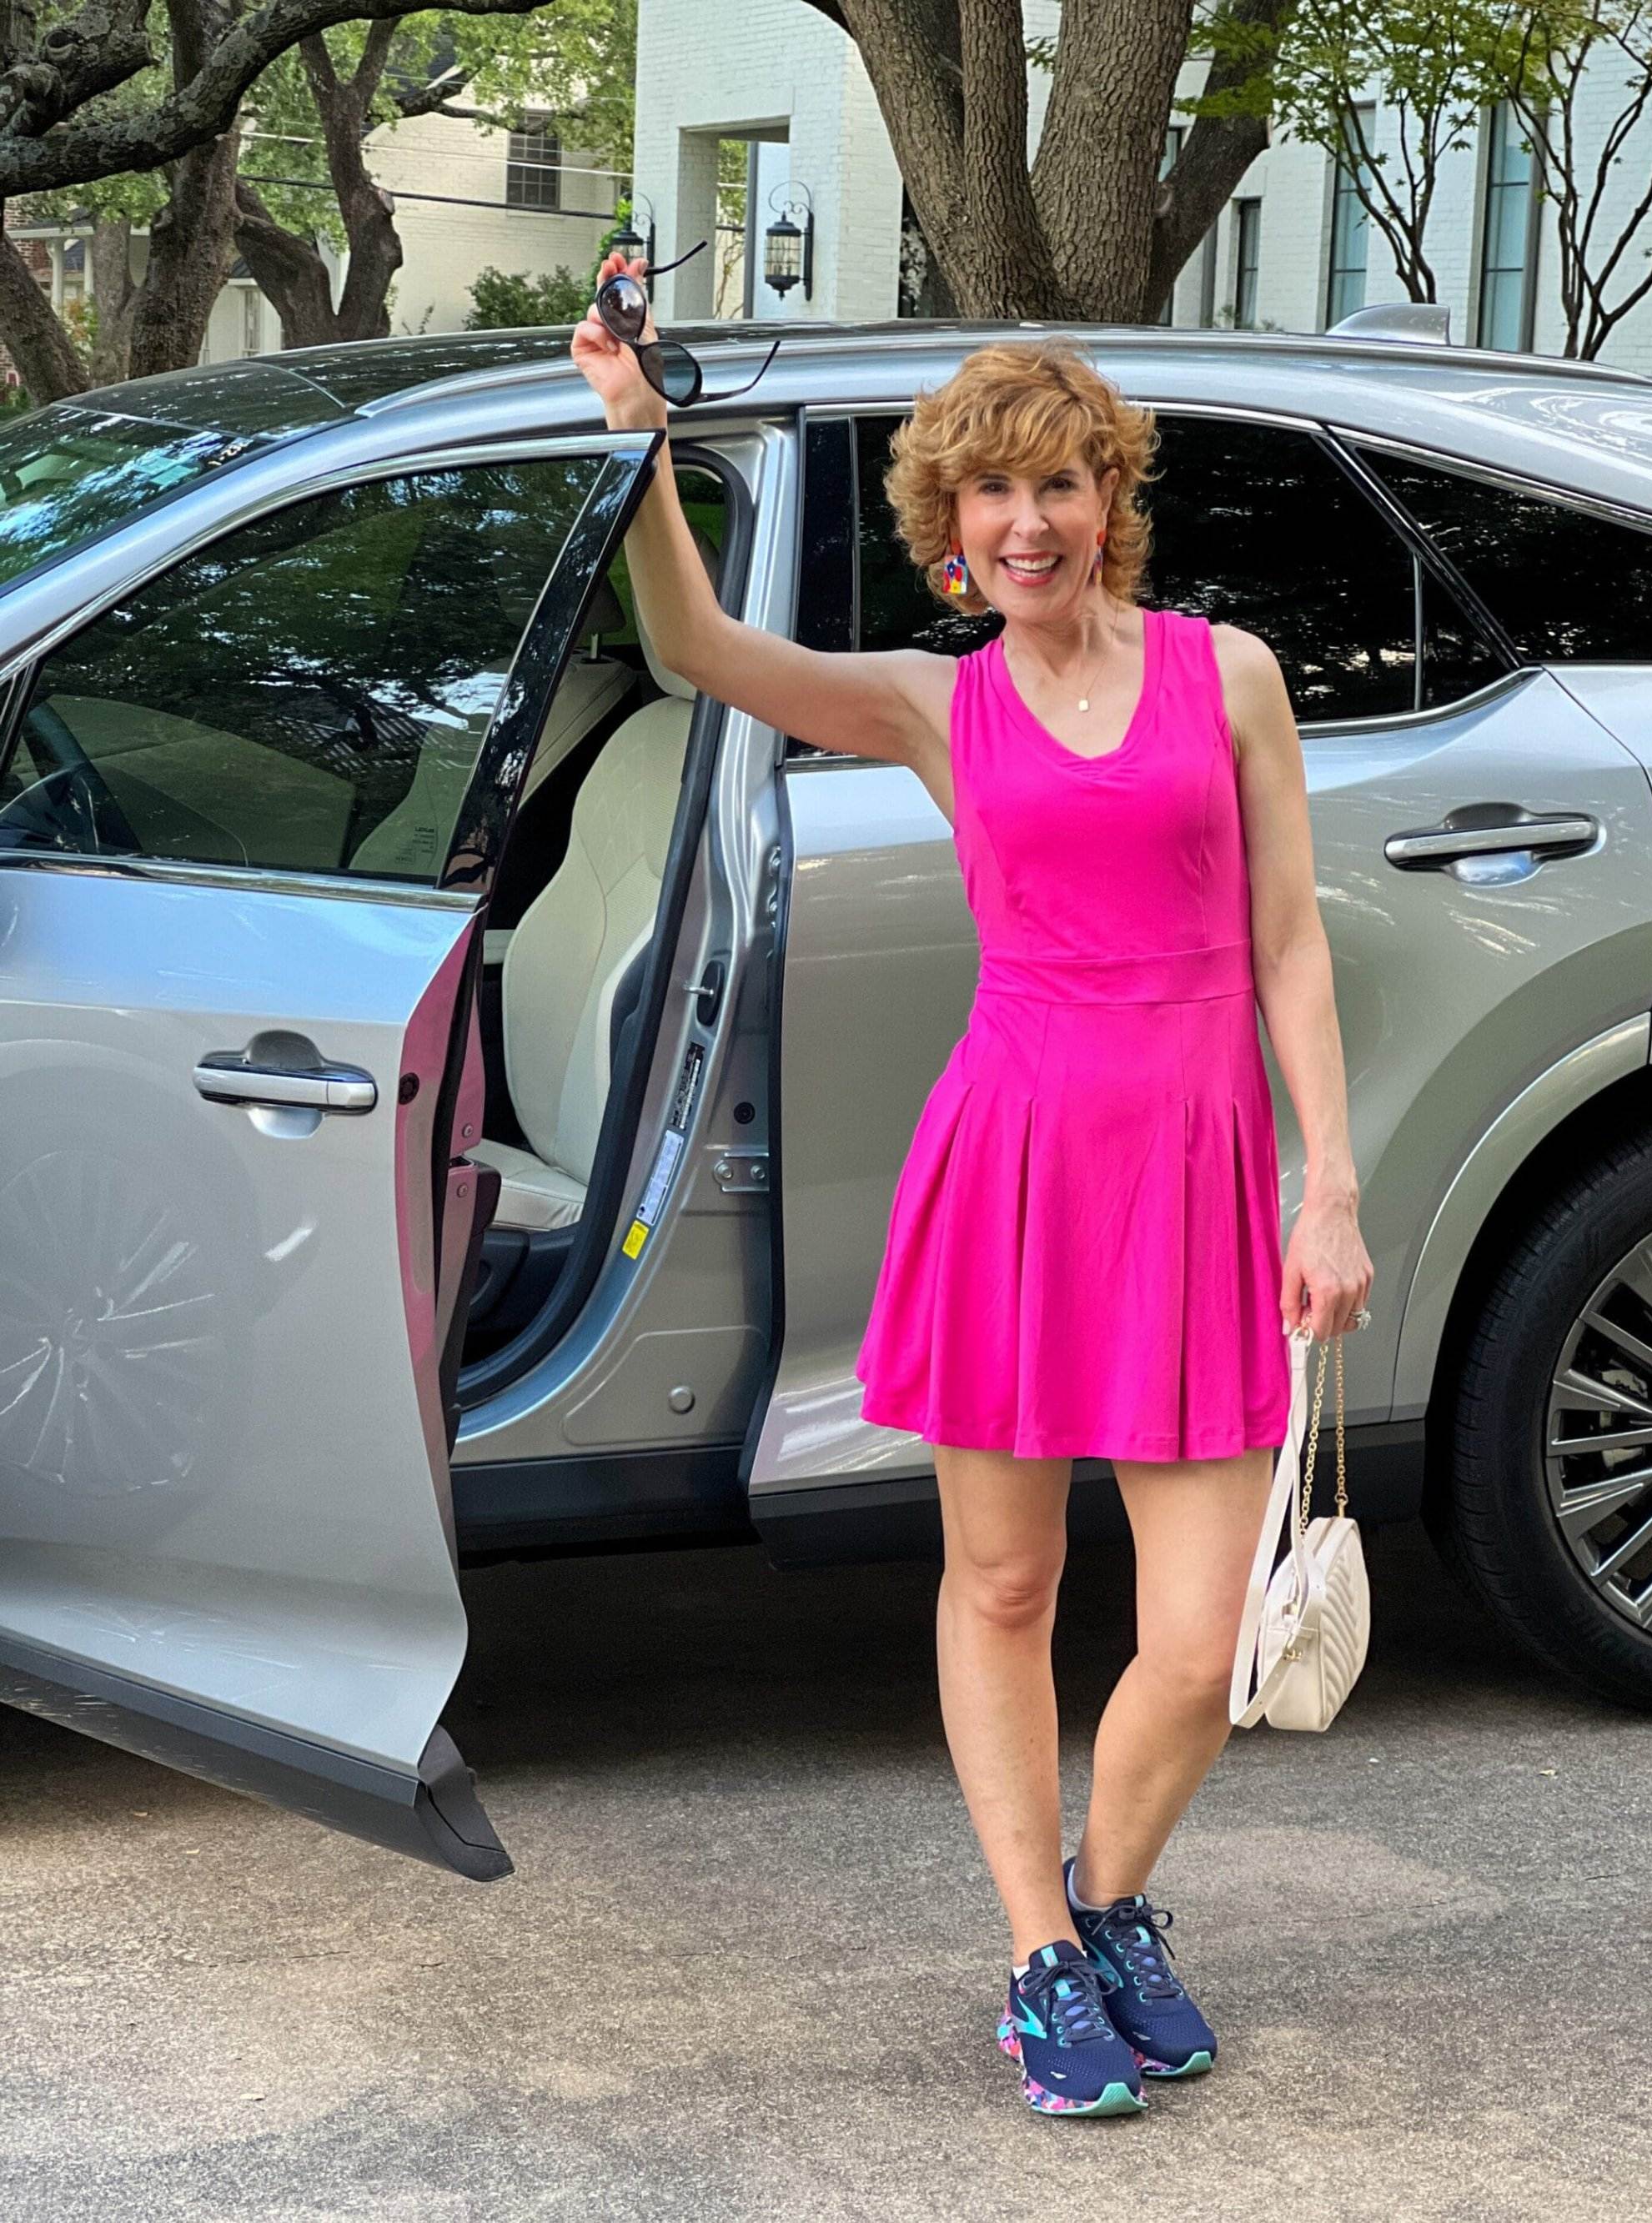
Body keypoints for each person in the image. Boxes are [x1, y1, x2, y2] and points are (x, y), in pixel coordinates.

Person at [571, 254, 1373, 2119]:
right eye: (989, 492)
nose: (1027, 521)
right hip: (1011, 1162)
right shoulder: (942, 708)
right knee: (1003, 1585)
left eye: (1058, 483)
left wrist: (1324, 1184)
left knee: (1193, 1641)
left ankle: (1111, 1905)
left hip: (1191, 1169)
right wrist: (646, 452)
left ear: (1110, 500)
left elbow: (1288, 951)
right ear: (952, 523)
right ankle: (1035, 1950)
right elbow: (704, 656)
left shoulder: (1224, 674)